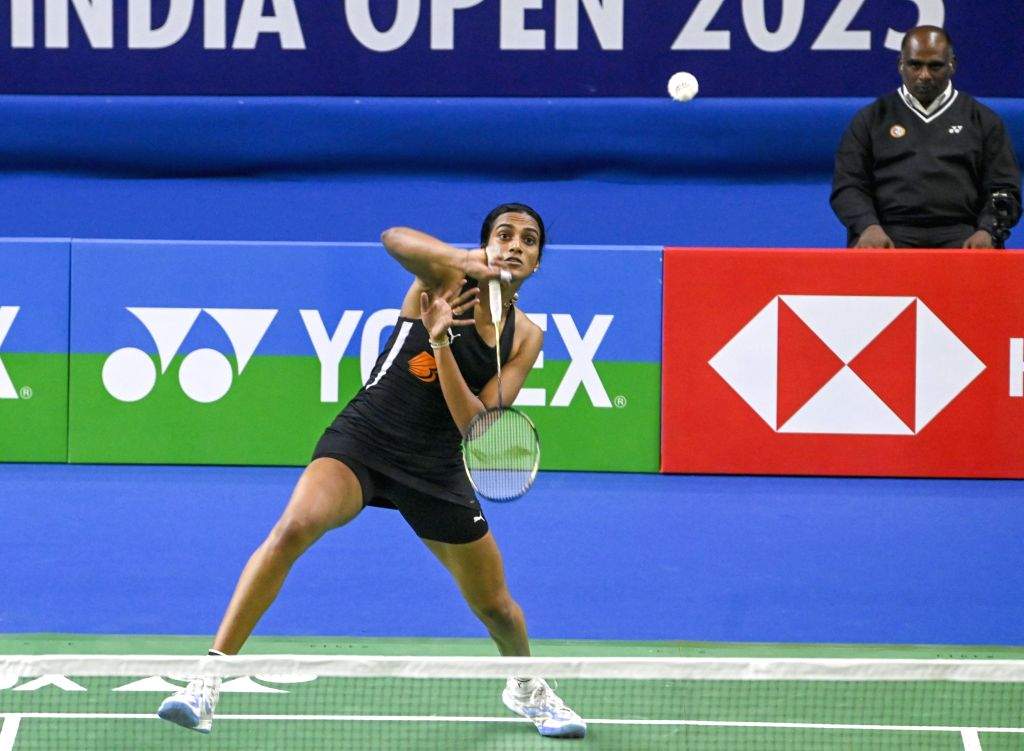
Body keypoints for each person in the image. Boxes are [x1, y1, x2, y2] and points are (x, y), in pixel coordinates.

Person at [156, 203, 586, 739]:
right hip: (366, 440)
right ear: (485, 245)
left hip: (436, 466)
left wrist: (440, 343)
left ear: (538, 263)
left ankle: (525, 687)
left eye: (529, 240)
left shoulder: (525, 337)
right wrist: (465, 263)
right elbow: (393, 237)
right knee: (293, 528)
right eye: (503, 235)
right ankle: (207, 679)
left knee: (497, 607)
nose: (515, 245)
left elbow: (476, 425)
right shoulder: (445, 277)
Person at [830, 26, 1021, 249]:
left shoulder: (983, 120)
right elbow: (848, 186)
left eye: (935, 66)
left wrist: (988, 230)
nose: (924, 75)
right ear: (901, 65)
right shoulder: (871, 119)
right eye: (915, 65)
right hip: (888, 235)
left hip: (963, 235)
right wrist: (867, 226)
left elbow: (1004, 189)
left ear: (952, 65)